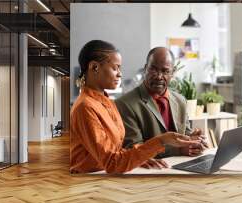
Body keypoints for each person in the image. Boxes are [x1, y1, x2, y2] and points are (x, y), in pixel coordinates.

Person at [70, 40, 201, 174]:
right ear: (94, 67)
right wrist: (161, 140)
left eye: (119, 68)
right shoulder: (85, 107)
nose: (120, 74)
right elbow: (112, 163)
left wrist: (139, 158)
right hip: (89, 181)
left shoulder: (107, 102)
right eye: (115, 68)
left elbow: (116, 149)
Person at [115, 47, 207, 167]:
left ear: (173, 72)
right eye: (153, 69)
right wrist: (179, 149)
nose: (159, 76)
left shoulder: (180, 100)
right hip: (150, 173)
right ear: (145, 69)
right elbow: (134, 149)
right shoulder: (125, 104)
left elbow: (186, 135)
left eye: (165, 71)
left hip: (183, 168)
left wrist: (195, 140)